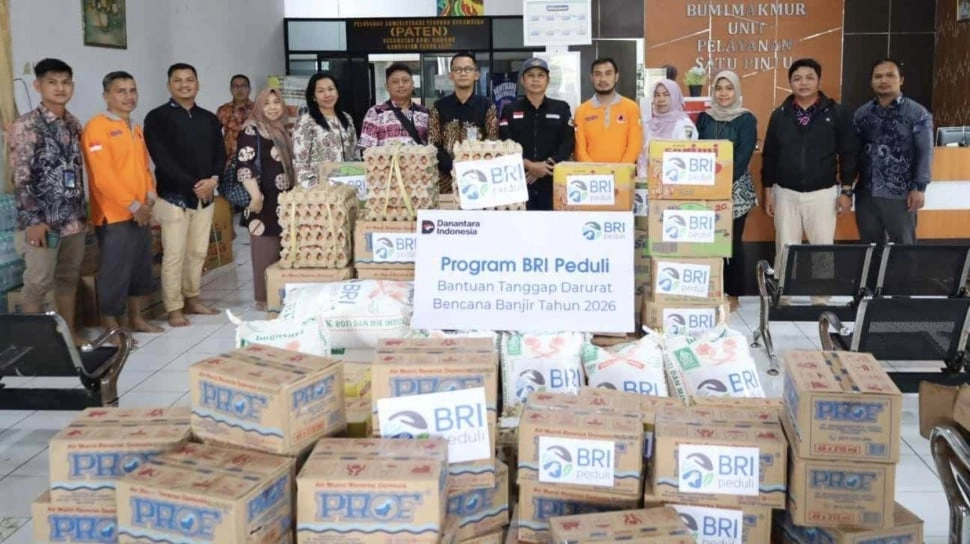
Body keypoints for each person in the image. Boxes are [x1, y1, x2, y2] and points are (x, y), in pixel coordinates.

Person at [761, 58, 858, 291]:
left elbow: (849, 153)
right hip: (785, 193)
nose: (803, 83)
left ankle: (820, 299)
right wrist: (768, 192)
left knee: (822, 250)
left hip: (823, 194)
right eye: (797, 78)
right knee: (785, 249)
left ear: (818, 81)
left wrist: (846, 190)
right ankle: (782, 297)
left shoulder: (836, 113)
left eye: (809, 77)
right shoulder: (780, 115)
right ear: (790, 83)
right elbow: (770, 156)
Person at [9, 58, 86, 343]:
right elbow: (21, 177)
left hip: (73, 219)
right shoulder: (27, 126)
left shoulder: (73, 124)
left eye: (65, 82)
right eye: (52, 82)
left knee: (67, 278)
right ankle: (34, 344)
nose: (60, 88)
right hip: (41, 223)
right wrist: (33, 221)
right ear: (38, 85)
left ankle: (69, 336)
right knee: (37, 283)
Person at [82, 71, 164, 336]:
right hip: (115, 216)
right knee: (115, 272)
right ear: (106, 95)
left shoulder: (135, 128)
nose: (128, 96)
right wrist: (133, 206)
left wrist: (149, 200)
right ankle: (110, 327)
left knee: (140, 268)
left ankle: (136, 318)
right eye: (121, 91)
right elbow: (103, 177)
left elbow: (144, 168)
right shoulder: (97, 127)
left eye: (132, 90)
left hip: (140, 212)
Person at [144, 63, 225, 327]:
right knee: (174, 255)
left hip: (205, 195)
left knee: (198, 253)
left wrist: (213, 179)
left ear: (197, 83)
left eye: (189, 80)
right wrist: (192, 183)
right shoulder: (157, 118)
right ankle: (174, 307)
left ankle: (192, 298)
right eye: (177, 81)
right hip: (173, 197)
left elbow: (219, 153)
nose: (184, 85)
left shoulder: (209, 118)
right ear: (169, 85)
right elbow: (162, 159)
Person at [852, 59, 932, 245]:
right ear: (871, 81)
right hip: (867, 194)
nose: (883, 80)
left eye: (890, 75)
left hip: (901, 195)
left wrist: (919, 188)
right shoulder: (862, 114)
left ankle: (904, 276)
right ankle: (873, 276)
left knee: (904, 246)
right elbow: (853, 152)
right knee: (870, 248)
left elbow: (924, 152)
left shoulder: (917, 114)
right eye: (878, 76)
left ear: (901, 80)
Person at [696, 71, 758, 309]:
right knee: (709, 241)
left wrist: (722, 182)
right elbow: (698, 148)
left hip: (735, 188)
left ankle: (733, 294)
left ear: (737, 91)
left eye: (729, 88)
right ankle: (713, 289)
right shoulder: (705, 117)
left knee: (731, 242)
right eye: (719, 88)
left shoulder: (746, 119)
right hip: (707, 187)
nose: (723, 93)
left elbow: (743, 156)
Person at [235, 89, 294, 310]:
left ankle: (280, 292)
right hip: (261, 200)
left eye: (276, 102)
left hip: (283, 198)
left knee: (281, 246)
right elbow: (245, 165)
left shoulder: (282, 128)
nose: (272, 107)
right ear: (259, 106)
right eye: (266, 103)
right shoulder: (252, 129)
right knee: (263, 250)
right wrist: (255, 196)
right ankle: (263, 298)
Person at [498, 57, 574, 210]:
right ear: (522, 80)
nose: (535, 80)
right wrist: (529, 165)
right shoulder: (510, 109)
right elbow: (505, 142)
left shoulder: (561, 108)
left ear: (548, 80)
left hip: (553, 181)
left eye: (540, 75)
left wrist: (544, 167)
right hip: (519, 181)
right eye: (530, 75)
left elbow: (568, 141)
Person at [428, 52, 499, 193]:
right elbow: (433, 144)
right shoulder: (439, 106)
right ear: (451, 75)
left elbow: (493, 142)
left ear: (476, 75)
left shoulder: (487, 106)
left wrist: (471, 169)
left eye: (468, 69)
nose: (463, 73)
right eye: (457, 70)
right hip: (445, 181)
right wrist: (453, 167)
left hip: (478, 179)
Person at [292, 72, 359, 188]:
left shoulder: (346, 118)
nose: (327, 94)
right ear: (313, 96)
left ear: (337, 92)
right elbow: (300, 162)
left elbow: (354, 153)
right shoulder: (305, 122)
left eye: (330, 89)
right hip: (319, 189)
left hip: (347, 185)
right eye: (321, 91)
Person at [574, 57, 642, 163]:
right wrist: (594, 172)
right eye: (598, 74)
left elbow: (634, 145)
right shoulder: (581, 111)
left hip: (623, 174)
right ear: (591, 78)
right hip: (591, 175)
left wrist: (620, 170)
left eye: (608, 73)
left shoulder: (632, 107)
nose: (603, 79)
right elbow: (580, 149)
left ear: (616, 77)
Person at [358, 63, 429, 151]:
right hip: (387, 164)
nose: (401, 85)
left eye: (405, 80)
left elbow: (433, 146)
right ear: (387, 86)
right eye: (395, 82)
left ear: (413, 84)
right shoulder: (375, 112)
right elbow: (366, 150)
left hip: (419, 164)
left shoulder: (425, 112)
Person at [637, 79, 697, 176]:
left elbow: (685, 158)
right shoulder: (649, 125)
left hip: (675, 183)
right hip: (649, 185)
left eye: (666, 94)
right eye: (657, 95)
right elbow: (642, 158)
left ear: (675, 96)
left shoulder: (684, 125)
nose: (661, 99)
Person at [216, 74, 254, 160]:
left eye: (243, 86)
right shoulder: (223, 110)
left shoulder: (257, 110)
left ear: (249, 89)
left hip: (252, 159)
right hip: (228, 159)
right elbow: (215, 135)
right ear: (231, 89)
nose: (239, 89)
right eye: (235, 86)